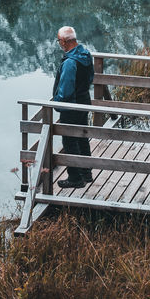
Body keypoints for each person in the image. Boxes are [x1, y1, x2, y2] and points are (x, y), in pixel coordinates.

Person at [52, 24, 94, 187]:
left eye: (59, 41)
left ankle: (75, 178)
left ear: (63, 41)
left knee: (70, 141)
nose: (59, 44)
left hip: (72, 106)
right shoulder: (85, 54)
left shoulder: (70, 62)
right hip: (84, 101)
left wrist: (57, 104)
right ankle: (87, 173)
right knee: (82, 137)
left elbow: (66, 91)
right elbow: (90, 78)